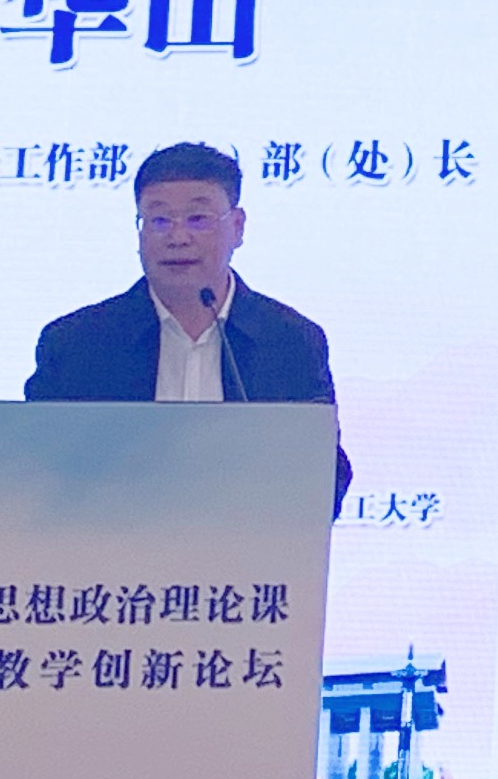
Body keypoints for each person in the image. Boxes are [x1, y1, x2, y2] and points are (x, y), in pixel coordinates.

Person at [27, 141, 351, 508]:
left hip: (244, 541)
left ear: (238, 227)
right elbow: (39, 470)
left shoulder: (289, 341)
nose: (178, 238)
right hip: (111, 539)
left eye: (198, 219)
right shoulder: (77, 344)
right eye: (159, 220)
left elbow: (325, 472)